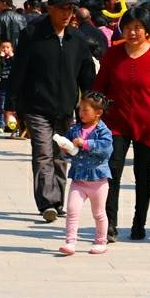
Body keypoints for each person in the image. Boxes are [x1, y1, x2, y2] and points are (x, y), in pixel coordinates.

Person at [93, 6, 150, 242]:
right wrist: (90, 114)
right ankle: (109, 225)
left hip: (148, 124)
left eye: (138, 28)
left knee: (143, 175)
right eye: (129, 28)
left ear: (148, 31)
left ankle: (138, 223)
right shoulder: (113, 54)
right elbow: (99, 87)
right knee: (111, 173)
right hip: (116, 123)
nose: (133, 33)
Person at [11, 0, 96, 224]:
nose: (67, 14)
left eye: (70, 9)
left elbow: (86, 76)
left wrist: (90, 104)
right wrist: (12, 104)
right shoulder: (32, 35)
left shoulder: (76, 39)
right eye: (62, 8)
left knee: (61, 154)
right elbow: (19, 70)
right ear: (50, 9)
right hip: (36, 106)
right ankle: (47, 202)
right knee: (42, 153)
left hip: (66, 108)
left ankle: (57, 201)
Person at [58, 92, 113, 255]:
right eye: (80, 110)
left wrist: (86, 143)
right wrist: (66, 147)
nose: (81, 113)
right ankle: (70, 242)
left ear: (98, 113)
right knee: (72, 210)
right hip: (78, 178)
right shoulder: (75, 129)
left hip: (98, 180)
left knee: (99, 213)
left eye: (85, 110)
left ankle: (101, 241)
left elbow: (106, 149)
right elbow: (69, 151)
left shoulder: (103, 131)